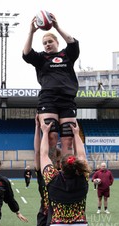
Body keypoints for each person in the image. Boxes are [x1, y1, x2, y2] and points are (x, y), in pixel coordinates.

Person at [23, 12, 79, 157]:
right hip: (48, 100)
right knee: (51, 138)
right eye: (45, 43)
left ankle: (68, 172)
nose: (47, 45)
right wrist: (31, 32)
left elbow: (73, 42)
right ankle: (52, 175)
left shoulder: (66, 55)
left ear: (57, 42)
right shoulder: (41, 58)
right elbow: (26, 53)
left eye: (50, 42)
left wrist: (57, 26)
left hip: (67, 100)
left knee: (68, 139)